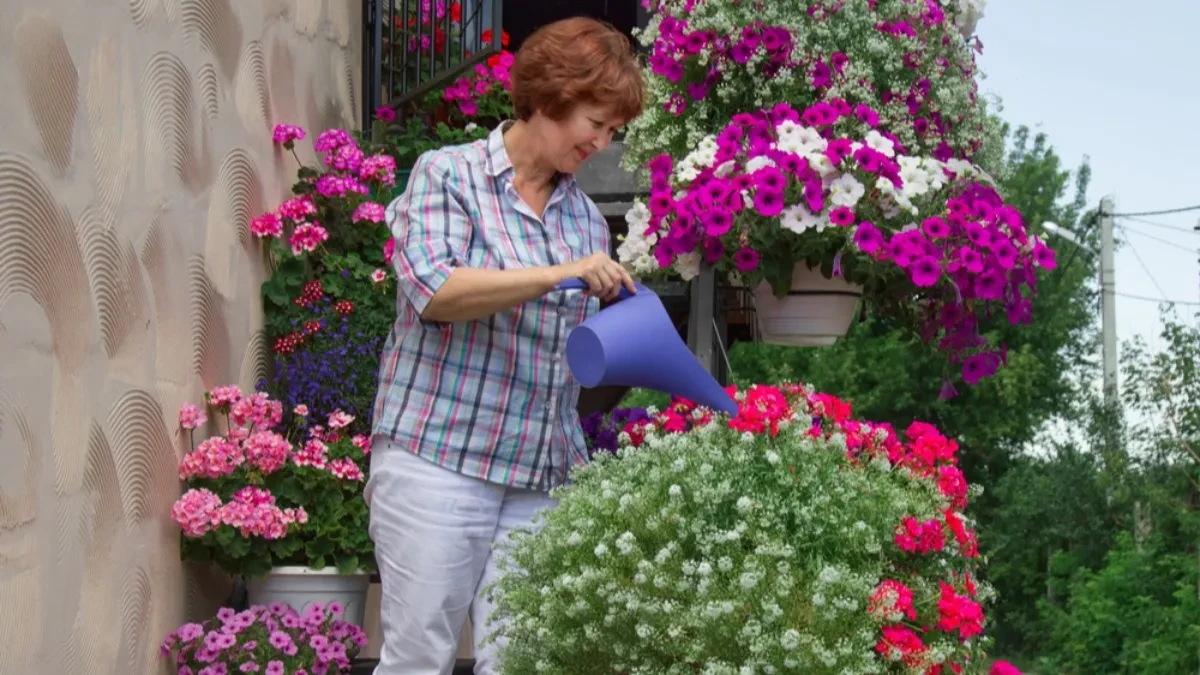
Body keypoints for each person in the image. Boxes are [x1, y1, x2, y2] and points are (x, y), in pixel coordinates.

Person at [364, 17, 645, 675]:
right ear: (551, 96)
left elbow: (568, 357)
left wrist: (625, 330)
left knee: (525, 662)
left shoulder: (585, 220)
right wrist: (559, 274)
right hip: (438, 460)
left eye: (613, 131)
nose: (601, 143)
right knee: (418, 659)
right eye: (596, 123)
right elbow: (435, 290)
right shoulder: (447, 176)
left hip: (539, 477)